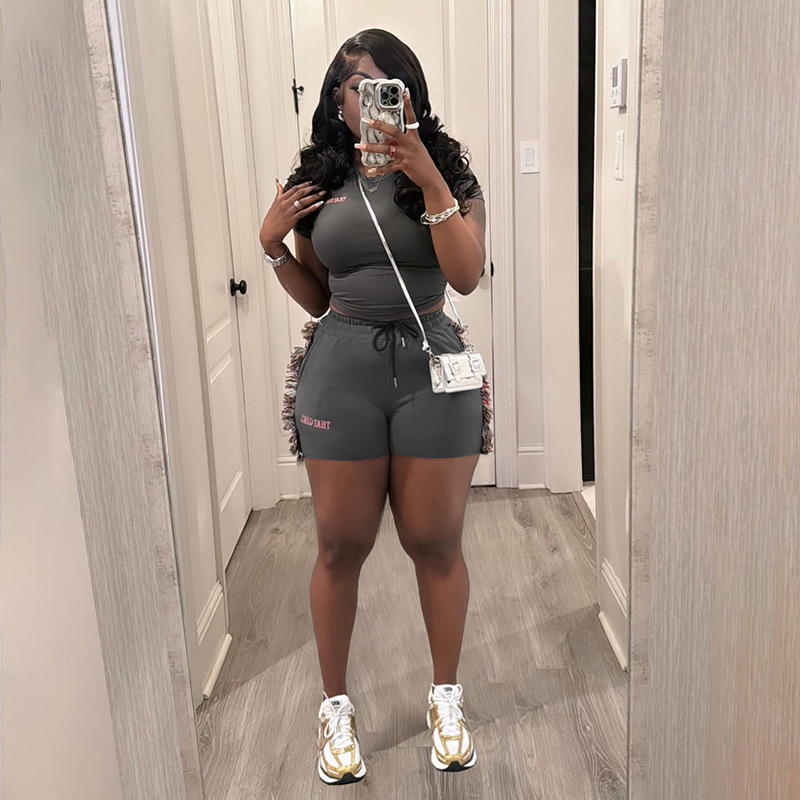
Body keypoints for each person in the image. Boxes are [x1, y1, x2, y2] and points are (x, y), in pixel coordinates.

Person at [258, 28, 493, 785]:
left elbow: (466, 276)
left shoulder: (448, 170)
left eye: (393, 84)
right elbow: (319, 295)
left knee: (435, 540)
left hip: (431, 366)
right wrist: (274, 248)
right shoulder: (317, 180)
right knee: (339, 545)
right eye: (362, 86)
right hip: (341, 371)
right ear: (338, 98)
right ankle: (335, 708)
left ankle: (446, 698)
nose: (376, 99)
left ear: (411, 95)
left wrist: (428, 178)